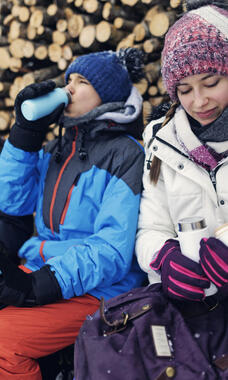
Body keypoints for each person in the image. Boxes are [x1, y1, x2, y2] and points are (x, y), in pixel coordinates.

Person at [0, 48, 146, 379]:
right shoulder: (59, 148)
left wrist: (41, 285)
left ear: (106, 95)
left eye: (81, 82)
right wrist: (26, 135)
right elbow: (12, 204)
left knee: (2, 341)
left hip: (101, 289)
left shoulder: (126, 154)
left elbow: (110, 251)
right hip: (46, 271)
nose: (68, 89)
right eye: (68, 80)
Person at [136, 0, 228, 374]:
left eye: (212, 82)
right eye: (185, 90)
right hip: (200, 314)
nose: (199, 101)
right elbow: (151, 227)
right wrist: (163, 259)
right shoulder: (160, 144)